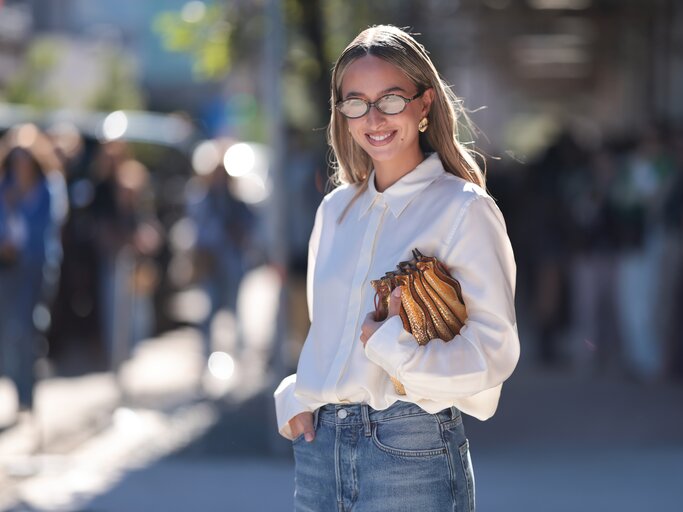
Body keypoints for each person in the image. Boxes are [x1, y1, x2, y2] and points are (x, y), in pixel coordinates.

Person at [274, 25, 519, 511]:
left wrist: (392, 350)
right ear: (341, 113)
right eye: (356, 102)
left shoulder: (462, 208)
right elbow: (327, 329)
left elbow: (495, 351)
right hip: (319, 453)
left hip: (409, 449)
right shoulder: (336, 211)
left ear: (424, 104)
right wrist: (297, 394)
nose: (373, 117)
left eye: (390, 99)